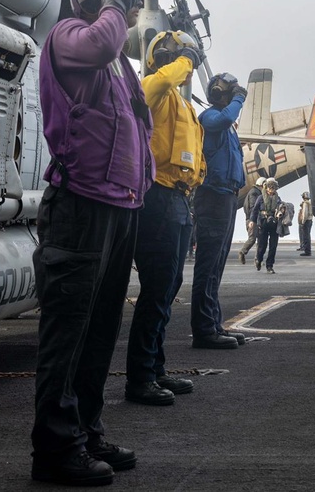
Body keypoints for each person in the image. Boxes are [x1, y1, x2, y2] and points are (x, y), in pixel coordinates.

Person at [31, 0, 150, 485]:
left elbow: (135, 130)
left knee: (101, 330)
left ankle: (86, 429)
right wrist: (114, 5)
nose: (124, 2)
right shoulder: (68, 36)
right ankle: (55, 450)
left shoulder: (122, 66)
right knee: (68, 332)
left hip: (119, 206)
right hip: (79, 204)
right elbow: (104, 41)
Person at [124, 31, 206, 408]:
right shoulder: (153, 87)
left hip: (178, 198)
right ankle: (140, 378)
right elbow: (163, 78)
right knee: (157, 288)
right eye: (182, 59)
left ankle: (155, 369)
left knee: (169, 285)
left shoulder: (181, 103)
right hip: (156, 196)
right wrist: (186, 59)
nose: (188, 68)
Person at [191, 73, 248, 350]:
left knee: (217, 266)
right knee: (208, 265)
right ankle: (204, 330)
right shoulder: (210, 118)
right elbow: (226, 117)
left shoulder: (225, 126)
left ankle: (213, 324)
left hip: (226, 196)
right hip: (213, 196)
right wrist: (239, 98)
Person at [251, 178, 282, 273]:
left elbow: (282, 207)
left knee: (273, 246)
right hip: (263, 223)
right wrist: (252, 221)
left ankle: (269, 266)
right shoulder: (261, 198)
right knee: (262, 246)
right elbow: (255, 210)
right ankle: (259, 260)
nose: (272, 189)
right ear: (266, 187)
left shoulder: (278, 199)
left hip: (274, 223)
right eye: (270, 186)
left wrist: (281, 211)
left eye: (274, 187)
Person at [238, 176, 267, 264]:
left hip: (255, 219)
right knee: (252, 239)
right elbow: (253, 207)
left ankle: (257, 259)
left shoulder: (255, 192)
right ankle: (242, 251)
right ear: (262, 185)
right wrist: (260, 214)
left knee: (259, 239)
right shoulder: (254, 193)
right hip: (253, 220)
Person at [297, 191, 314, 256]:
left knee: (306, 236)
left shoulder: (305, 204)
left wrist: (303, 222)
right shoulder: (310, 203)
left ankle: (307, 251)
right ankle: (307, 250)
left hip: (306, 221)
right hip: (310, 220)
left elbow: (305, 214)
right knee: (308, 235)